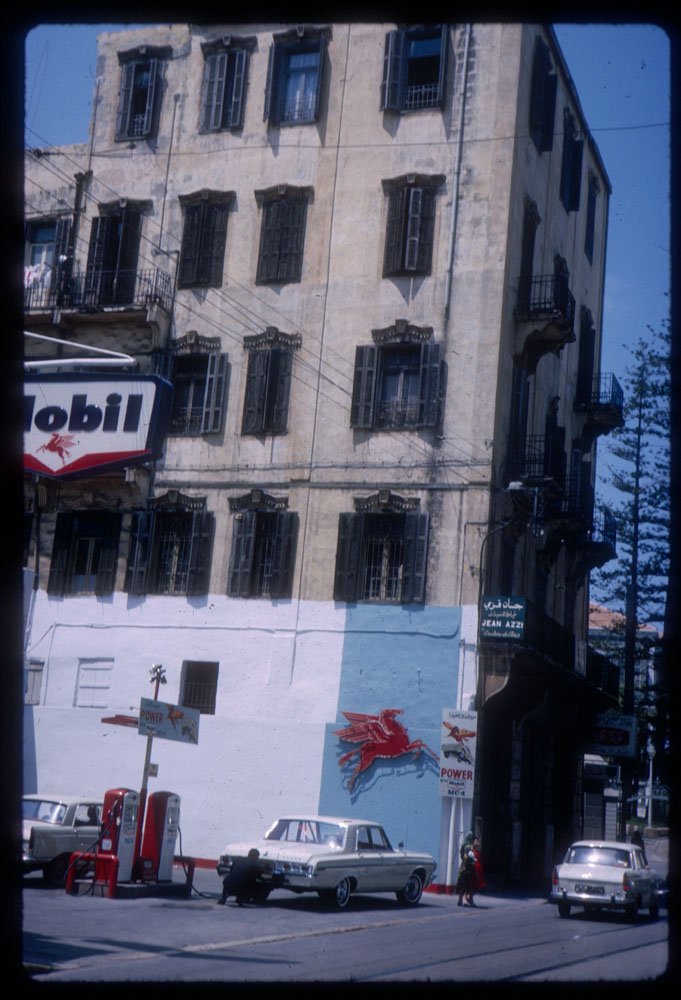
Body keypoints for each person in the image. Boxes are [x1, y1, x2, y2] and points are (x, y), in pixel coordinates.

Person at [456, 831, 484, 906]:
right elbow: (470, 854)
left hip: (463, 866)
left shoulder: (463, 845)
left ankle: (460, 900)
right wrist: (474, 859)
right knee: (468, 884)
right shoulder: (469, 846)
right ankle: (466, 900)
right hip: (469, 868)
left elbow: (462, 856)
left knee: (461, 884)